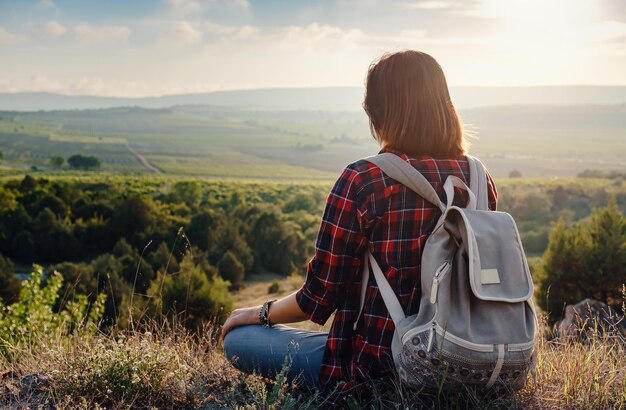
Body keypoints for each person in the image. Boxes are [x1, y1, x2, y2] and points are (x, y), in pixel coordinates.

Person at [221, 50, 498, 405]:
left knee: (239, 341)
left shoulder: (365, 179)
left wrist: (256, 313)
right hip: (468, 359)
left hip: (376, 367)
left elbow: (318, 299)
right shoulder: (478, 178)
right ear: (445, 104)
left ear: (378, 112)